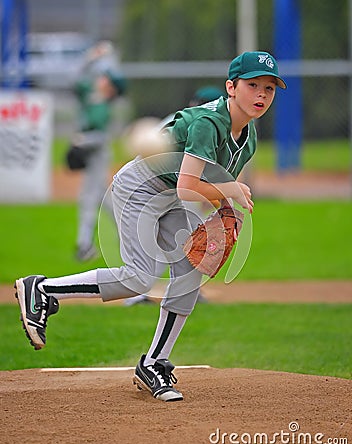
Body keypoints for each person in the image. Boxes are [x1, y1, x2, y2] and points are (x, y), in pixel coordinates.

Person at [14, 51, 286, 402]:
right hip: (139, 189)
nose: (261, 94)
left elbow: (210, 185)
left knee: (191, 267)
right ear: (231, 87)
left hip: (168, 195)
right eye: (252, 85)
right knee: (140, 277)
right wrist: (229, 191)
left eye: (269, 87)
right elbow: (191, 186)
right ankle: (44, 289)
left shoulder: (247, 139)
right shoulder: (208, 123)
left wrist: (226, 212)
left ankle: (154, 363)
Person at [124, 85, 225, 306]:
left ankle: (188, 290)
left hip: (178, 189)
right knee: (174, 242)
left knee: (182, 242)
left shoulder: (206, 125)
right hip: (159, 190)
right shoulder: (190, 122)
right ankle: (144, 294)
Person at [71, 41, 126, 261]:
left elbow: (101, 137)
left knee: (89, 198)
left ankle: (84, 245)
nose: (100, 79)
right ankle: (128, 234)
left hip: (98, 155)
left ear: (111, 89)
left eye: (105, 79)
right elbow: (75, 80)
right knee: (105, 200)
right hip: (92, 154)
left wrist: (80, 141)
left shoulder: (103, 106)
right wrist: (91, 57)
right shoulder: (92, 96)